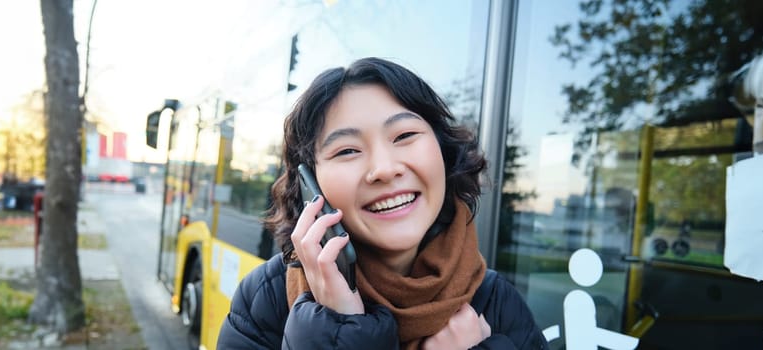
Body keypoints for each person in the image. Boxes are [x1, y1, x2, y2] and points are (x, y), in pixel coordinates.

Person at [217, 57, 547, 349]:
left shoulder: (497, 302)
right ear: (309, 185)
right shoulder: (265, 299)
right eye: (347, 150)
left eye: (404, 136)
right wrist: (336, 327)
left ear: (444, 154)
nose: (385, 170)